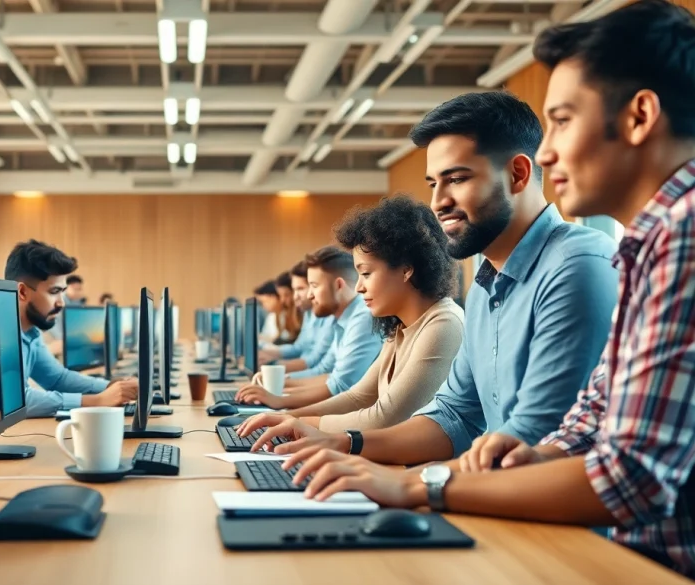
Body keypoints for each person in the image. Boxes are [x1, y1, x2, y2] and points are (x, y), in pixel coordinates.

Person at [285, 4, 695, 578]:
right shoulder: (635, 249)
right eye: (434, 182)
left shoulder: (658, 243)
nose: (549, 152)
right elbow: (572, 420)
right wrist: (352, 448)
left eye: (564, 121)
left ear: (640, 116)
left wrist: (419, 486)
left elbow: (629, 476)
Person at [249, 90, 619, 464]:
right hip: (499, 495)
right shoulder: (485, 286)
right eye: (433, 184)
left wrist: (415, 487)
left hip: (543, 513)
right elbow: (453, 416)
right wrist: (342, 445)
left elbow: (533, 443)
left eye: (456, 179)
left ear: (517, 174)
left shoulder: (575, 264)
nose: (438, 201)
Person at [239, 196, 465, 438]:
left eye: (366, 273)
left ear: (406, 270)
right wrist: (289, 418)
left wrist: (305, 424)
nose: (358, 287)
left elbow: (385, 417)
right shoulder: (399, 327)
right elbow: (359, 396)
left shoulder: (443, 323)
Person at [234, 246, 382, 410]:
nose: (310, 295)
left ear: (339, 286)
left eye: (314, 285)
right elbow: (326, 372)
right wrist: (279, 383)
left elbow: (339, 387)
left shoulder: (363, 318)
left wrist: (279, 402)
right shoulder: (344, 319)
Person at [4, 240, 138, 417]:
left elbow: (57, 378)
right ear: (22, 292)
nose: (61, 303)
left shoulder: (31, 332)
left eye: (62, 293)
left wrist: (113, 387)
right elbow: (19, 400)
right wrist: (96, 401)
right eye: (54, 292)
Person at [258, 260, 334, 374]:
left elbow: (315, 361)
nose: (295, 297)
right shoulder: (309, 314)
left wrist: (274, 369)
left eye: (300, 289)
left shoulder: (330, 317)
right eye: (294, 290)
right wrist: (268, 358)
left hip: (310, 375)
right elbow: (299, 347)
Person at [273, 271, 303, 343]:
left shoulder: (303, 313)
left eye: (286, 295)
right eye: (280, 295)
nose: (282, 300)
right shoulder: (285, 313)